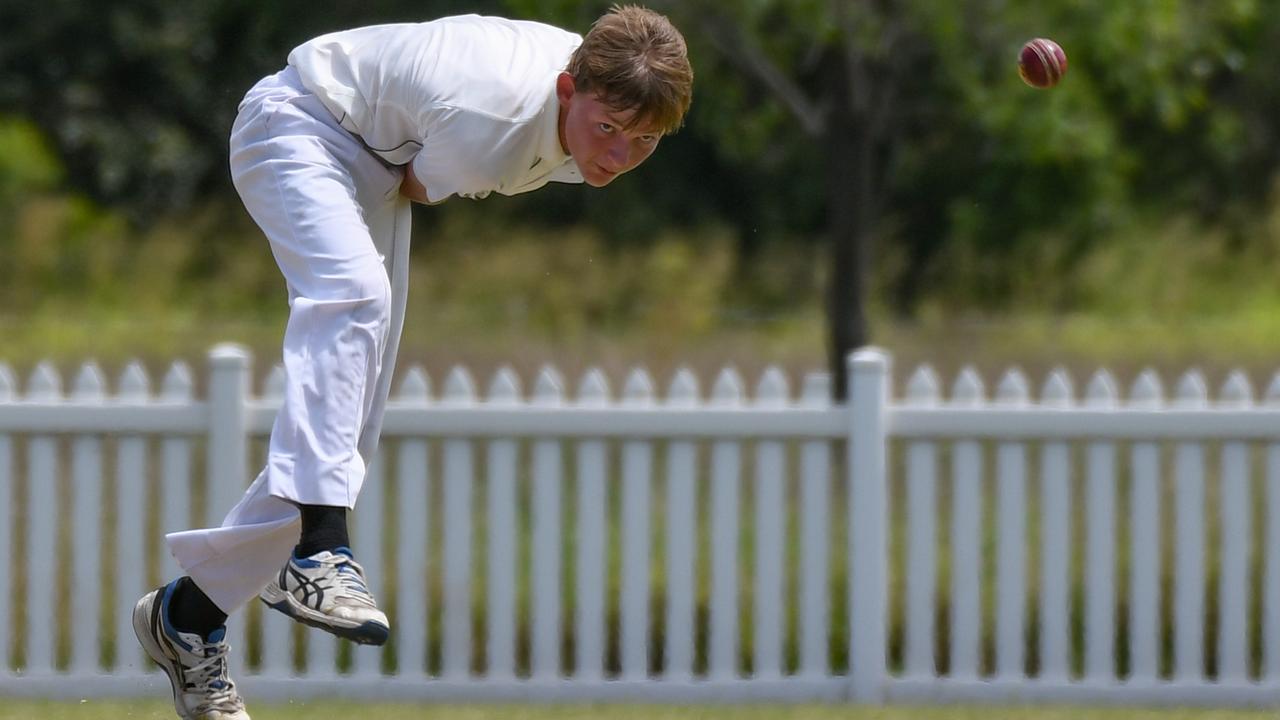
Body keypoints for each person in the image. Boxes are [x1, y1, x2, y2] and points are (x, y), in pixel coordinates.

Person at [131, 6, 693, 719]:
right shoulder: (487, 118)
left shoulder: (591, 95)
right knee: (351, 295)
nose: (618, 154)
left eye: (643, 141)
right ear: (564, 89)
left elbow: (414, 170)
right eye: (608, 130)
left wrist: (612, 130)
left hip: (379, 159)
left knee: (345, 429)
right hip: (300, 123)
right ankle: (319, 553)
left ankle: (188, 614)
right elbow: (425, 183)